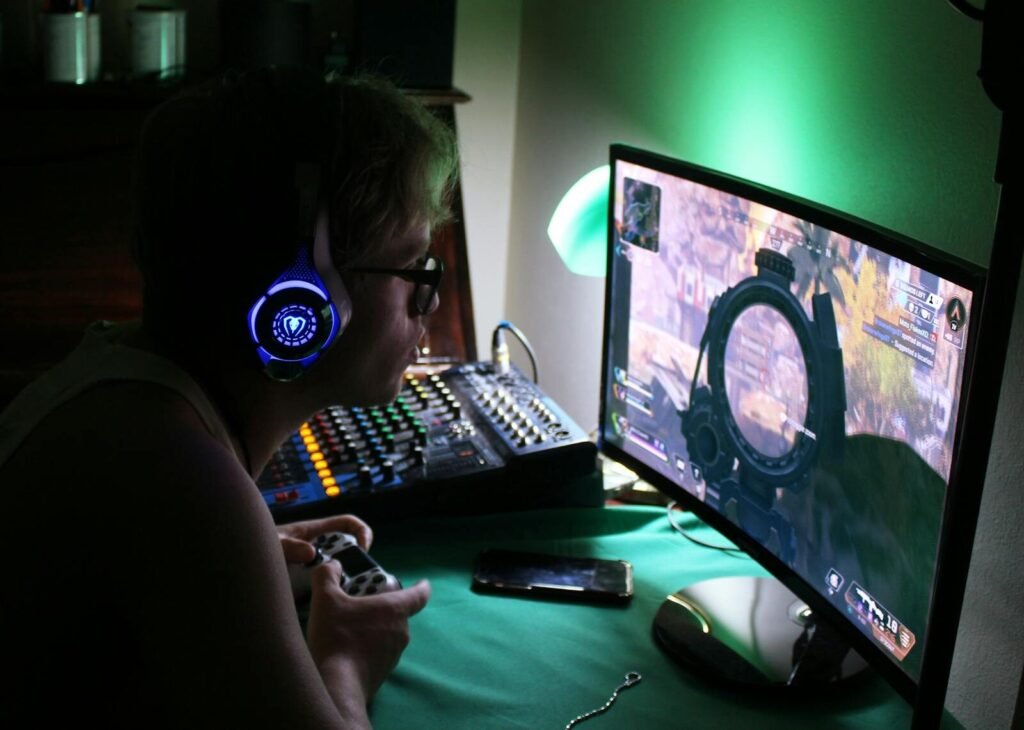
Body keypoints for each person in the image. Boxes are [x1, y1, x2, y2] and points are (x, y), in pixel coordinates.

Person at [0, 66, 458, 728]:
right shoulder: (176, 477)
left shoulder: (125, 384)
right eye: (412, 265)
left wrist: (255, 551)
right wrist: (346, 663)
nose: (431, 300)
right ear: (303, 301)